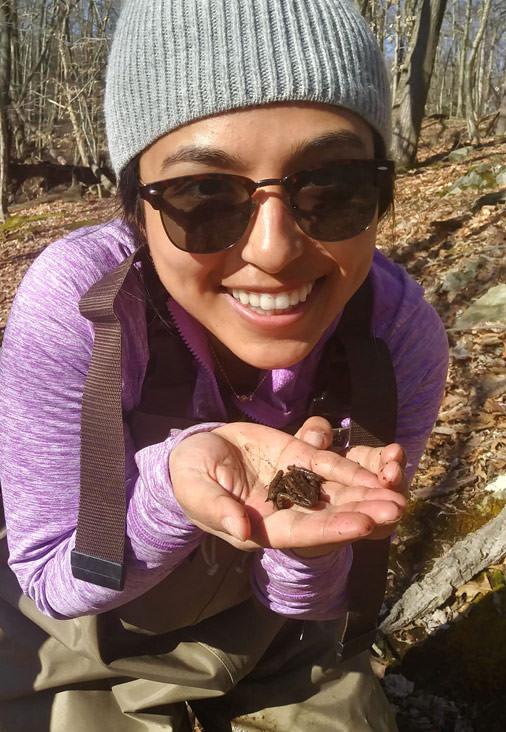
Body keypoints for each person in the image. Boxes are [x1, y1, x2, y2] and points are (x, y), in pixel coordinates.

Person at [0, 1, 448, 730]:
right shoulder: (80, 310)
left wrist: (305, 539)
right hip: (73, 635)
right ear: (136, 208)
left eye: (331, 188)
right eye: (202, 194)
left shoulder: (395, 338)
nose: (273, 250)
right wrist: (171, 491)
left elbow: (323, 602)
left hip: (275, 648)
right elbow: (51, 580)